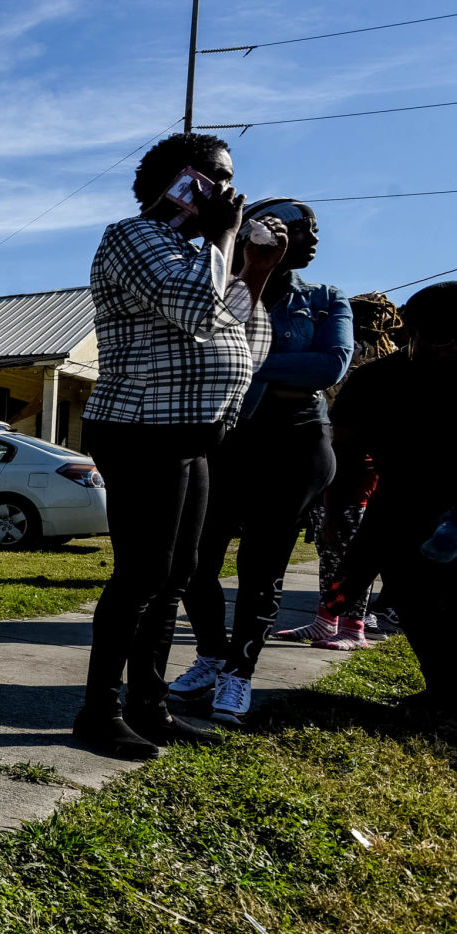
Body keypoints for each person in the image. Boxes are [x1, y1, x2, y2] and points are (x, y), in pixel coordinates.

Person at [72, 132, 288, 760]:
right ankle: (99, 711)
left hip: (193, 434)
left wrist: (253, 271)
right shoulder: (132, 238)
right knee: (140, 575)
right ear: (180, 182)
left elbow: (247, 338)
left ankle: (149, 704)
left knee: (176, 576)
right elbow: (194, 309)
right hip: (141, 429)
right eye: (217, 177)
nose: (229, 191)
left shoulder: (199, 256)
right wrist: (224, 238)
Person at [170, 199, 351, 726]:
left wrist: (243, 354)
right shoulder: (225, 291)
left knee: (261, 565)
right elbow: (200, 353)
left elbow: (328, 365)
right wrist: (253, 353)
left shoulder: (323, 298)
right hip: (228, 439)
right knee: (196, 559)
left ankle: (239, 674)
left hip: (297, 443)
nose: (310, 236)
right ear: (254, 233)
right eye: (295, 227)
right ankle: (211, 655)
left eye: (314, 228)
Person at [320, 282, 457, 712]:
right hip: (402, 507)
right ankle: (443, 690)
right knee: (413, 600)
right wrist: (337, 509)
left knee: (433, 602)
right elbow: (345, 449)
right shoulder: (376, 380)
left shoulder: (378, 378)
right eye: (439, 336)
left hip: (431, 510)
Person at [279, 290, 404, 647]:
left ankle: (353, 627)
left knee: (349, 552)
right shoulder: (376, 358)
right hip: (342, 466)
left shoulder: (364, 361)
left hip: (355, 472)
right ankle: (326, 619)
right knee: (333, 551)